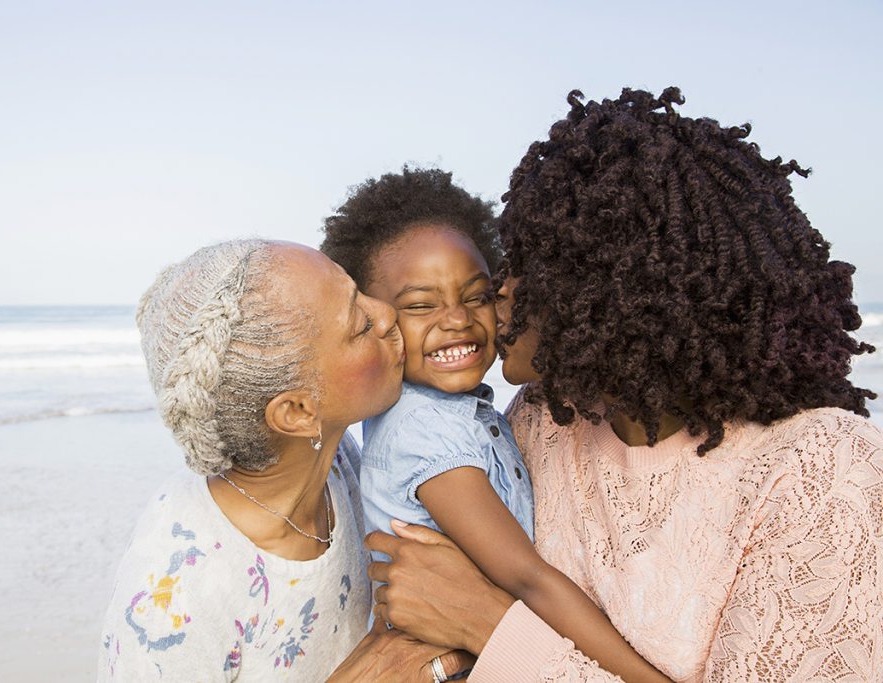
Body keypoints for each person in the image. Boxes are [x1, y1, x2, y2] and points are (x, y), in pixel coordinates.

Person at [366, 88, 883, 681]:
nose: (500, 290)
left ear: (618, 289)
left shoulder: (823, 471)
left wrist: (489, 624)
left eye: (539, 262)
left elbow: (480, 605)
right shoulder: (541, 421)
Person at [322, 168, 670, 681]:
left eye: (478, 296)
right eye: (421, 305)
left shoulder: (470, 410)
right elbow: (528, 579)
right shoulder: (423, 429)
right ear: (376, 319)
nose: (458, 319)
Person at [97, 239, 465, 681]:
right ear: (297, 413)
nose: (386, 315)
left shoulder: (337, 460)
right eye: (360, 324)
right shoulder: (174, 597)